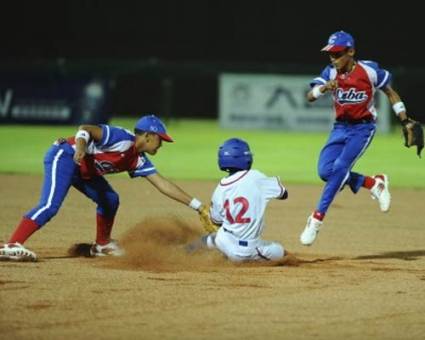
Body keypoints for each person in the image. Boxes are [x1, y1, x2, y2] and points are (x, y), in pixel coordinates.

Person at [0, 115, 207, 261]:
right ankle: (12, 245)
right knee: (50, 206)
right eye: (160, 140)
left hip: (84, 171)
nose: (161, 145)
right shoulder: (120, 137)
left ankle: (102, 244)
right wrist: (80, 147)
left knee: (110, 200)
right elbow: (85, 128)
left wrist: (198, 206)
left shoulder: (137, 159)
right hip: (64, 157)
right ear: (148, 136)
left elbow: (163, 184)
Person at [300, 30, 413, 246]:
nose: (333, 58)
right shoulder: (330, 72)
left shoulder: (369, 70)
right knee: (325, 171)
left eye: (338, 54)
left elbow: (390, 92)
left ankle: (316, 220)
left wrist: (405, 119)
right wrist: (323, 88)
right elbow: (310, 96)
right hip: (340, 128)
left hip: (363, 128)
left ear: (351, 51)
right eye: (330, 55)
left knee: (341, 167)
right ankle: (374, 183)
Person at [189, 138, 288, 262]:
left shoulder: (219, 188)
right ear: (245, 158)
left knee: (213, 238)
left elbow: (216, 221)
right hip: (248, 251)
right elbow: (284, 194)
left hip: (225, 242)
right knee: (283, 254)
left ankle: (180, 252)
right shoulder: (256, 177)